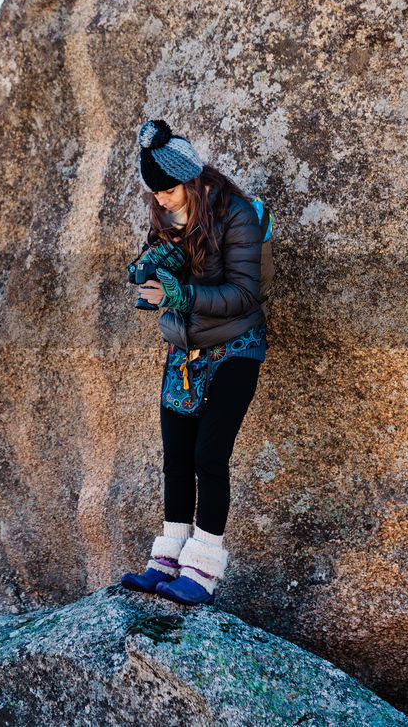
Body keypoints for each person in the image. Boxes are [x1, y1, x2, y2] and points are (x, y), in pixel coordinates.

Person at [119, 118, 268, 606]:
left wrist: (179, 291)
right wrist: (149, 271)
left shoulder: (237, 214)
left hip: (234, 349)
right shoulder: (166, 215)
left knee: (209, 456)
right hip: (183, 351)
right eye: (154, 193)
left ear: (191, 178)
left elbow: (244, 294)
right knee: (177, 459)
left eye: (168, 191)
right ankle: (167, 560)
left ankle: (201, 570)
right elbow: (163, 264)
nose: (160, 200)